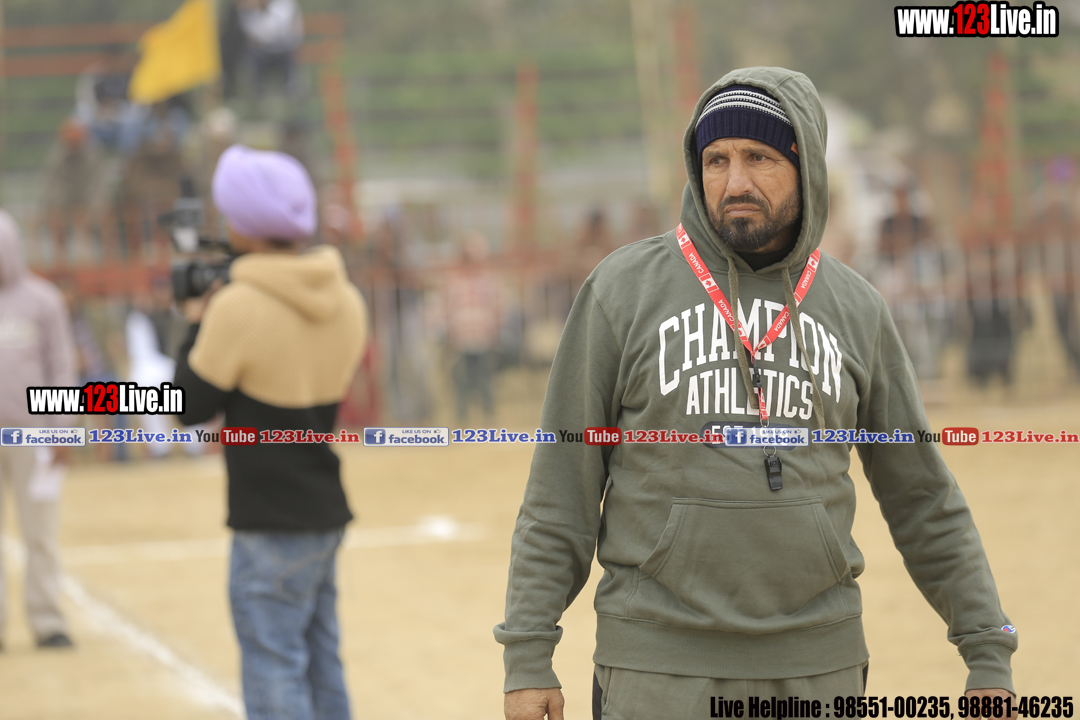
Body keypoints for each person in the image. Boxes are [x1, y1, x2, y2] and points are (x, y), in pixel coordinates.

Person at [495, 68, 1017, 720]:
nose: (735, 181)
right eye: (716, 159)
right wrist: (528, 654)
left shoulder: (857, 310)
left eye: (759, 158)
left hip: (819, 670)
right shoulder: (621, 293)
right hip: (657, 671)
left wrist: (988, 652)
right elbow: (559, 491)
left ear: (807, 168)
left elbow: (924, 498)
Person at [174, 145, 366, 720]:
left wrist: (193, 322)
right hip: (322, 505)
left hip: (266, 515)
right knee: (321, 659)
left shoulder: (239, 305)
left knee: (273, 664)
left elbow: (187, 404)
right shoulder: (346, 298)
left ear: (241, 226)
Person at [0, 209, 77, 651]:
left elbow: (61, 369)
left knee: (40, 533)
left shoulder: (43, 300)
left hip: (34, 434)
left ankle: (47, 621)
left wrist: (62, 431)